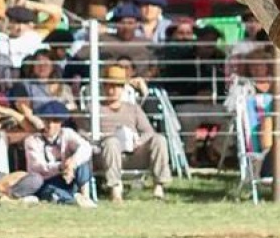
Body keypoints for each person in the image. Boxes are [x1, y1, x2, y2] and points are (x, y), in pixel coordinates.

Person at [96, 64, 171, 202]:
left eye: (117, 86)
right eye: (109, 85)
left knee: (159, 139)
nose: (113, 90)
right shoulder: (95, 109)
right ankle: (115, 189)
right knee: (112, 142)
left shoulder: (133, 108)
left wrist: (139, 141)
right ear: (104, 87)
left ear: (123, 88)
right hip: (107, 154)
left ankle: (159, 186)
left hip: (133, 153)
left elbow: (148, 131)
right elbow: (84, 134)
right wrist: (103, 139)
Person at [23, 101, 96, 206]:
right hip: (48, 180)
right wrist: (62, 167)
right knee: (52, 192)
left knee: (83, 161)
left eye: (55, 121)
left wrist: (73, 162)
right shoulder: (32, 140)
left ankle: (85, 196)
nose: (51, 125)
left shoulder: (67, 133)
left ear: (61, 122)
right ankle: (72, 200)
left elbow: (86, 147)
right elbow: (37, 166)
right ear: (42, 120)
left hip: (69, 176)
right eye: (47, 120)